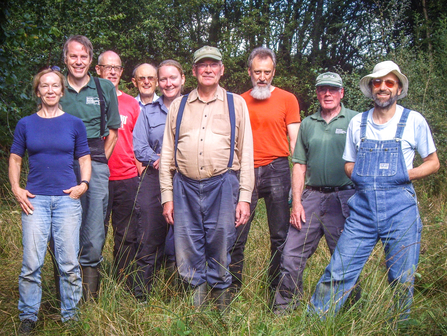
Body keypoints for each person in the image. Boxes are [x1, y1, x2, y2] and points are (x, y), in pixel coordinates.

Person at [309, 61, 439, 320]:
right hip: (363, 212)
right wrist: (358, 174)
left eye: (389, 82)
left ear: (398, 88)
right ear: (371, 88)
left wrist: (403, 174)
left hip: (401, 210)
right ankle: (314, 325)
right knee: (339, 270)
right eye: (377, 83)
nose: (383, 87)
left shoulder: (413, 120)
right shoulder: (358, 122)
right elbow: (348, 163)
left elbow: (433, 163)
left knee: (401, 278)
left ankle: (400, 326)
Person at [159, 46, 254, 310]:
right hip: (184, 186)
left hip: (222, 184)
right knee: (187, 245)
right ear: (194, 71)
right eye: (203, 65)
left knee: (221, 242)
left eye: (214, 65)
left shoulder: (237, 103)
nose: (208, 69)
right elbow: (167, 154)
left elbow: (246, 153)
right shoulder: (179, 104)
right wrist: (167, 197)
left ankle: (221, 306)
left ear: (222, 70)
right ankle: (197, 306)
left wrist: (244, 196)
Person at [10, 67, 91, 334]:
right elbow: (15, 158)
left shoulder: (74, 123)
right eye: (44, 86)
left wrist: (84, 184)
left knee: (68, 263)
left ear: (61, 90)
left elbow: (84, 158)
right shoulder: (25, 124)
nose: (50, 90)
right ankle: (28, 315)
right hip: (35, 201)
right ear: (37, 91)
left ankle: (71, 316)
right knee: (31, 263)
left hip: (67, 200)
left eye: (55, 85)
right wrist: (16, 188)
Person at [273, 72, 358, 314]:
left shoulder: (355, 120)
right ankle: (285, 308)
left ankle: (350, 309)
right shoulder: (308, 123)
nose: (327, 93)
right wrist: (296, 203)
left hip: (344, 199)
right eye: (323, 89)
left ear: (342, 92)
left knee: (345, 257)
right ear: (317, 93)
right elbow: (299, 165)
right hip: (310, 198)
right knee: (290, 256)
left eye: (333, 89)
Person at [230, 47, 301, 293]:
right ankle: (231, 288)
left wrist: (300, 175)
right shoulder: (238, 101)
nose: (262, 77)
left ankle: (276, 289)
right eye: (257, 72)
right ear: (249, 72)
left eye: (267, 72)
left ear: (273, 73)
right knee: (237, 233)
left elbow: (295, 141)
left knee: (280, 235)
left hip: (277, 169)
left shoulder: (287, 99)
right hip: (245, 170)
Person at [60, 35, 121, 300]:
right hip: (61, 165)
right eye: (73, 56)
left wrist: (100, 163)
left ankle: (89, 300)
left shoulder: (103, 88)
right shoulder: (56, 86)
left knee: (94, 230)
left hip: (96, 162)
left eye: (83, 56)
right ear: (66, 59)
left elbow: (113, 131)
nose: (78, 61)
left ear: (90, 60)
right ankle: (65, 296)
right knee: (62, 229)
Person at [132, 60, 185, 299]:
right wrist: (158, 159)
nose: (168, 83)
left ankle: (179, 293)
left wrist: (172, 158)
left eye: (173, 78)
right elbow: (139, 146)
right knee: (149, 234)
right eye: (163, 79)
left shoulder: (192, 108)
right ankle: (141, 295)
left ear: (183, 79)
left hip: (186, 180)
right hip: (153, 179)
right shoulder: (148, 112)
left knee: (184, 236)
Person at [95, 51, 140, 289]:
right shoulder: (89, 100)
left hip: (127, 178)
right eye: (107, 67)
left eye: (117, 68)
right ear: (98, 70)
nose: (112, 71)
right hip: (96, 177)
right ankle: (93, 282)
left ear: (122, 72)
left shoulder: (132, 104)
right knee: (94, 234)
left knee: (126, 235)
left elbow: (139, 142)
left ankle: (123, 282)